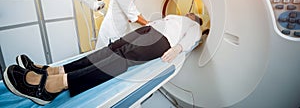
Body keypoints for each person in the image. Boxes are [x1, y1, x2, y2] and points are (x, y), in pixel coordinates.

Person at [3, 13, 203, 105]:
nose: (189, 13)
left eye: (192, 14)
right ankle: (54, 70)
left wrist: (178, 48)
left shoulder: (192, 24)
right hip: (149, 29)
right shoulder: (174, 17)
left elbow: (195, 37)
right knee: (110, 49)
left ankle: (54, 86)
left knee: (121, 58)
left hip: (162, 40)